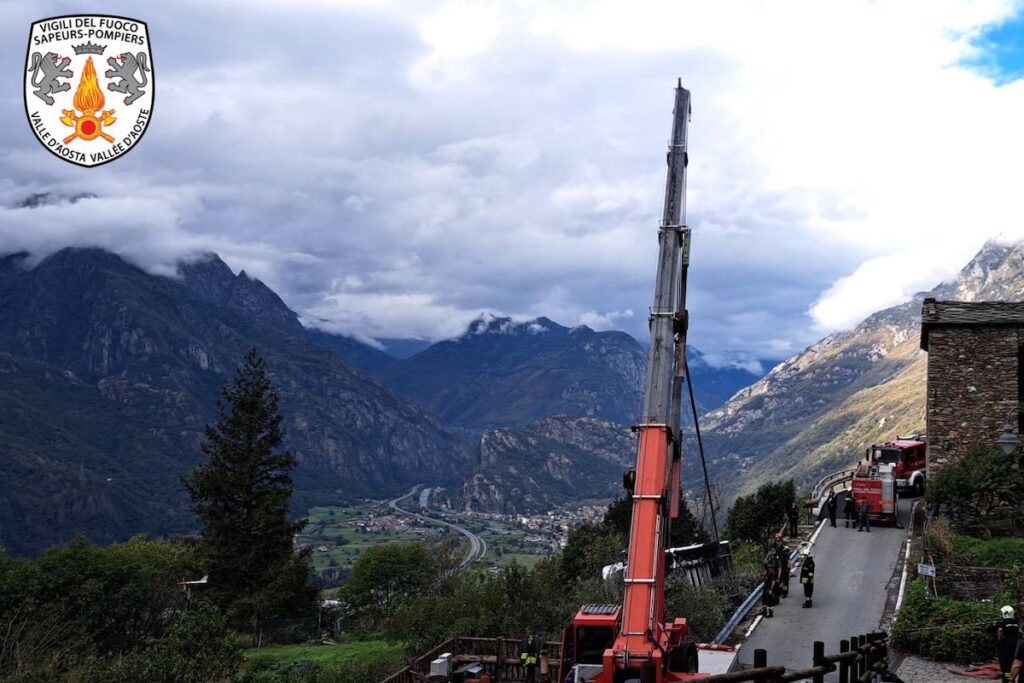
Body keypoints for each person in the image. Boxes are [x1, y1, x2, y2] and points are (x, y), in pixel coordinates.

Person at [998, 605, 1020, 683]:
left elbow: (1000, 630)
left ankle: (1006, 680)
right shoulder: (1016, 622)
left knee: (1004, 665)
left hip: (1004, 646)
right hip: (1013, 646)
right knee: (1011, 663)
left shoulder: (1002, 621)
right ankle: (1011, 679)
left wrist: (1000, 637)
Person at [762, 547, 780, 618]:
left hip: (769, 586)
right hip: (766, 585)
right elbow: (764, 574)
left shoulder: (772, 572)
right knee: (764, 599)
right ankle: (765, 611)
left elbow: (773, 581)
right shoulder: (767, 571)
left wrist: (771, 589)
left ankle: (770, 613)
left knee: (769, 600)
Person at [773, 533, 790, 599]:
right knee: (779, 580)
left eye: (778, 538)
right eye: (776, 538)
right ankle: (779, 591)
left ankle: (785, 593)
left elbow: (788, 559)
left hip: (784, 565)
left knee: (785, 581)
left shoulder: (785, 547)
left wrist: (788, 567)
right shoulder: (774, 546)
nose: (777, 540)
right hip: (778, 565)